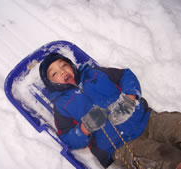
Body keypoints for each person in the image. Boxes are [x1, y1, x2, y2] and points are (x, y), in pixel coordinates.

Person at [39, 53, 181, 169]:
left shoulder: (93, 74)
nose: (62, 71)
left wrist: (129, 98)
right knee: (167, 159)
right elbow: (67, 138)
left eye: (64, 65)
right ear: (51, 83)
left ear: (71, 66)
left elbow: (126, 75)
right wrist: (84, 128)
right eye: (54, 73)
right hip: (122, 146)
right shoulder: (62, 106)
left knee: (177, 125)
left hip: (147, 119)